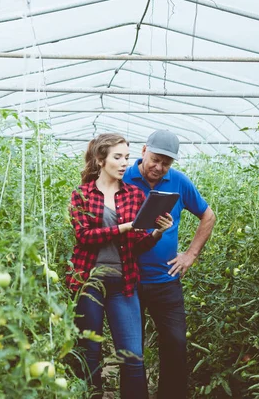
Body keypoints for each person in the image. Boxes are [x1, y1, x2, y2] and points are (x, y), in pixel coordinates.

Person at [67, 133, 173, 399]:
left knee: (133, 354)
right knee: (89, 353)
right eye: (118, 157)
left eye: (126, 157)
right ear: (100, 159)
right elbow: (84, 236)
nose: (125, 163)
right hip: (88, 282)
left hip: (123, 282)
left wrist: (157, 233)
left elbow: (136, 243)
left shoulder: (134, 195)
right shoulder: (81, 195)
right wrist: (124, 227)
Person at [122, 129, 216, 398]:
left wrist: (191, 255)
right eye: (155, 159)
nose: (159, 167)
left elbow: (207, 216)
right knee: (132, 350)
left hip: (166, 280)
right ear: (143, 151)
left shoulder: (178, 181)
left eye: (166, 163)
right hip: (130, 280)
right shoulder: (123, 178)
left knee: (175, 344)